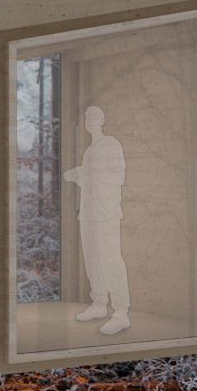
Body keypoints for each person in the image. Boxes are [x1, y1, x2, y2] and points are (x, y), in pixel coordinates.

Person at [63, 105, 131, 335]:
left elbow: (118, 177)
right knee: (92, 260)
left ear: (102, 120)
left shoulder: (111, 144)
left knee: (111, 260)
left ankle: (121, 312)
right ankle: (99, 304)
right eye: (87, 118)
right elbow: (91, 183)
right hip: (88, 213)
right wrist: (77, 176)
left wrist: (88, 172)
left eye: (94, 117)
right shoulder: (89, 150)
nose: (90, 121)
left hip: (106, 214)